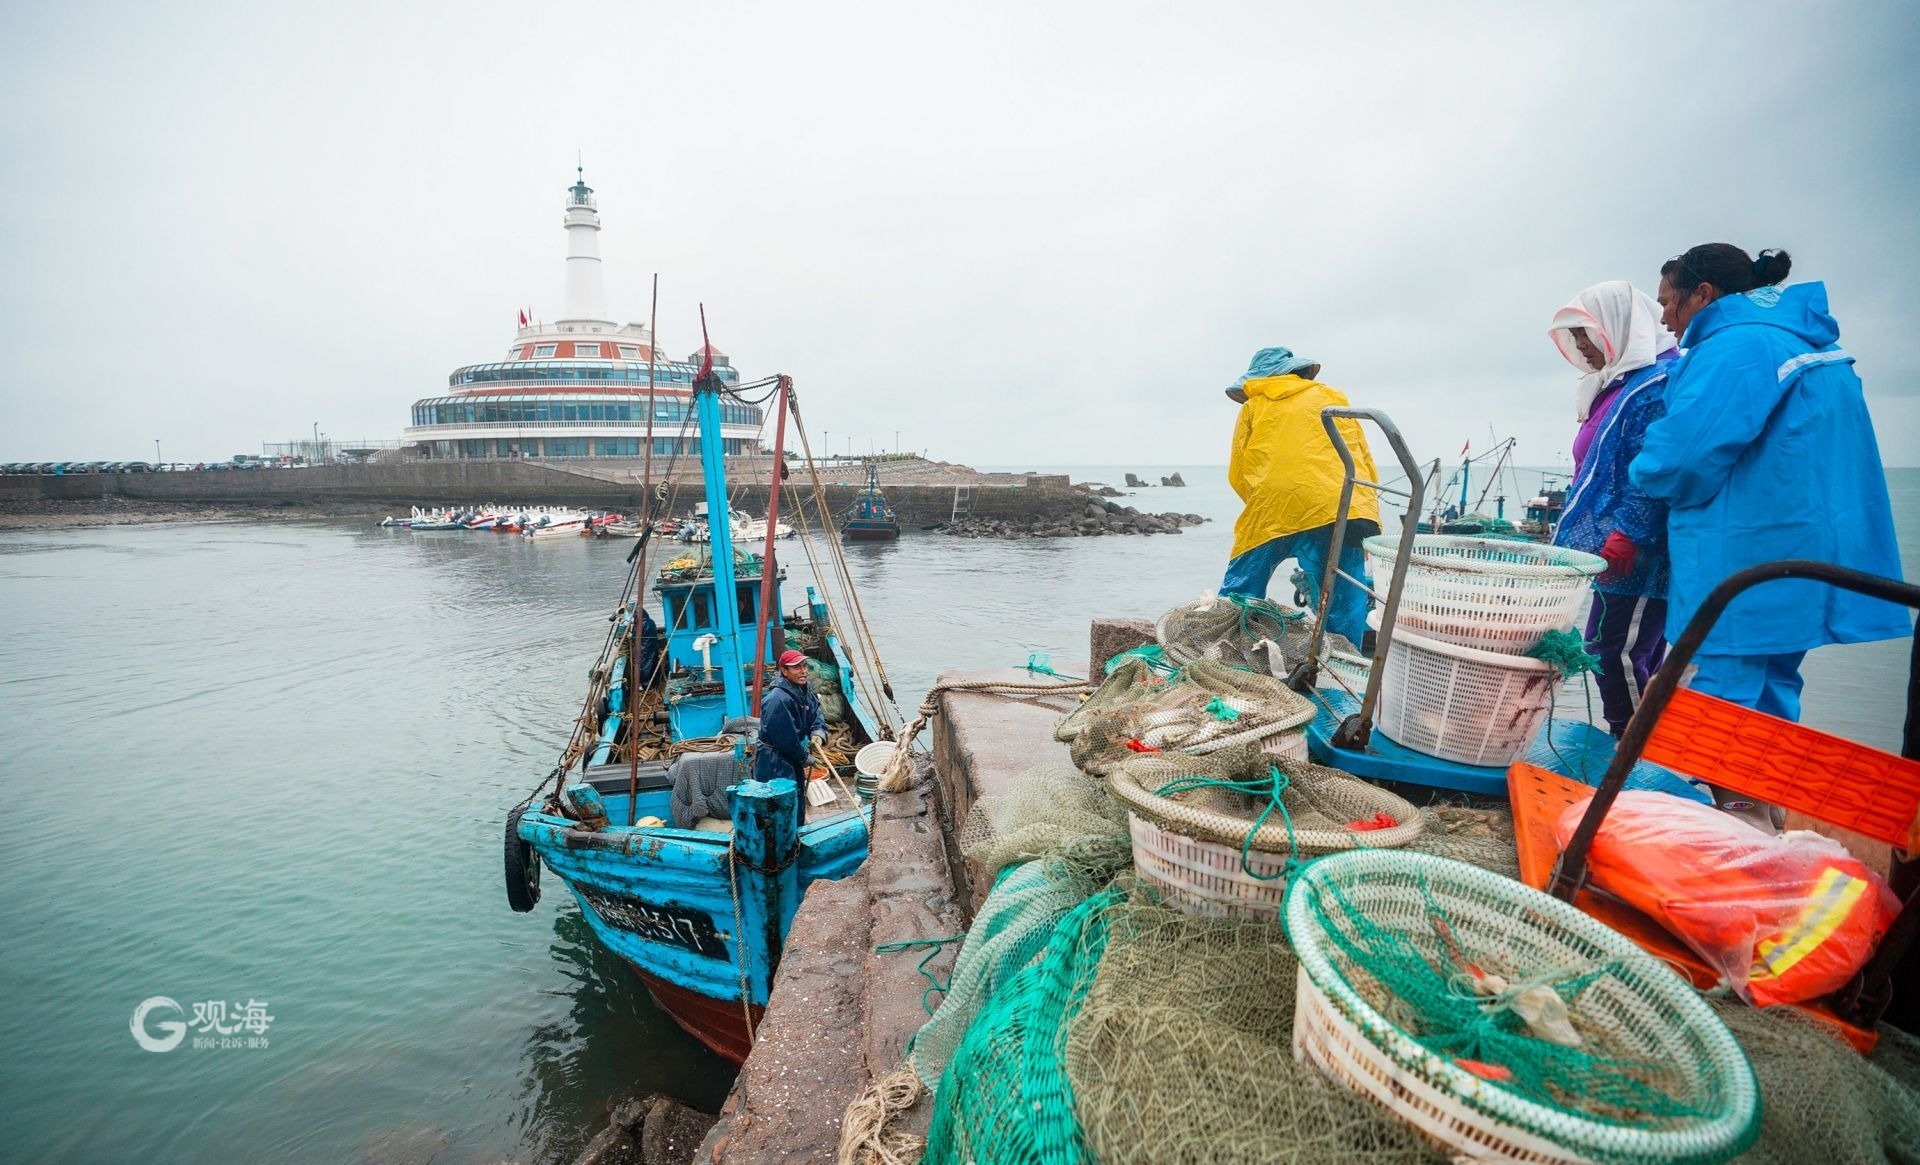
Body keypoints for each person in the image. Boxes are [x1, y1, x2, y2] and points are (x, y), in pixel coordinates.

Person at [1632, 244, 1908, 724]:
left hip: (1741, 556)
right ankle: (1759, 798)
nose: (1663, 317)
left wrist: (1643, 466)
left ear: (1701, 294)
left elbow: (1681, 459)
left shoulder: (1736, 347)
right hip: (1806, 558)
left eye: (1665, 301)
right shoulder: (1813, 344)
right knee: (1775, 687)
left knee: (1713, 689)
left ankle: (1705, 798)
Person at [1547, 281, 1679, 736]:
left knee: (1617, 649)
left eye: (1589, 335)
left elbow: (1654, 465)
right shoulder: (1618, 383)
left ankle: (1635, 745)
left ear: (1621, 327)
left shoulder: (1657, 384)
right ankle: (1627, 736)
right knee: (1624, 647)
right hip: (1608, 549)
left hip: (1638, 553)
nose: (1583, 347)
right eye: (1577, 338)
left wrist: (1630, 532)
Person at [1221, 346, 1379, 648]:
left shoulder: (1254, 406)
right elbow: (1363, 460)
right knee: (1343, 600)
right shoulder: (1332, 397)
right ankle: (1339, 674)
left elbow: (1239, 471)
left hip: (1276, 504)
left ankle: (1229, 653)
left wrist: (1263, 504)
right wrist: (1366, 518)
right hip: (1344, 506)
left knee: (1241, 589)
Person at [755, 649, 827, 809]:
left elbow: (815, 712)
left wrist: (818, 731)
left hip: (791, 756)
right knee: (780, 803)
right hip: (774, 760)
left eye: (804, 666)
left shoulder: (803, 691)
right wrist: (803, 757)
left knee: (796, 796)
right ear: (784, 671)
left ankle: (797, 830)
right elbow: (784, 738)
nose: (803, 671)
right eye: (796, 667)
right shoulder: (777, 700)